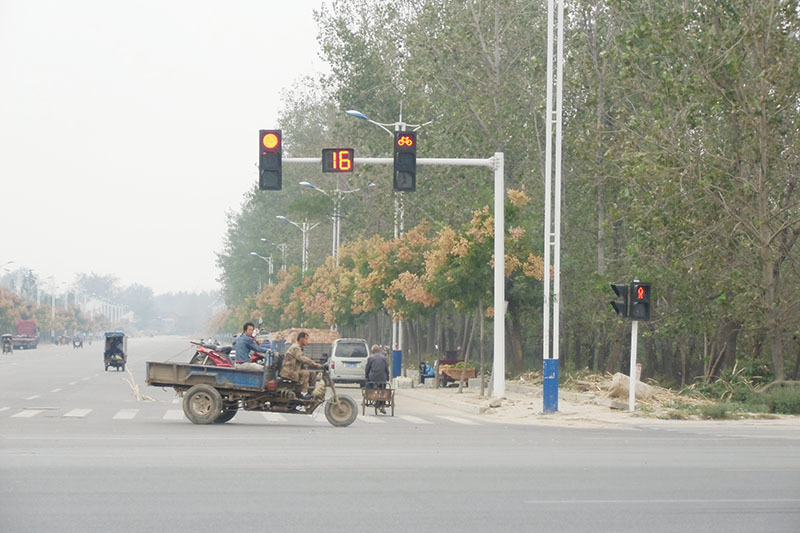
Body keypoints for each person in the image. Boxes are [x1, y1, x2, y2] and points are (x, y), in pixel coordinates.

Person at [281, 331, 321, 399]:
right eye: (306, 339)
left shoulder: (299, 347)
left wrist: (315, 363)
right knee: (305, 373)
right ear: (301, 339)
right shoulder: (295, 347)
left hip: (295, 370)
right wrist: (313, 363)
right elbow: (301, 358)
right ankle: (299, 392)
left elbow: (305, 357)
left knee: (313, 373)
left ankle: (310, 393)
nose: (307, 341)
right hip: (289, 371)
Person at [365, 344, 390, 413]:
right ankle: (381, 404)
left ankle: (374, 398)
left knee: (370, 386)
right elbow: (386, 369)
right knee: (383, 389)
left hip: (372, 378)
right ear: (379, 350)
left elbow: (367, 369)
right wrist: (388, 377)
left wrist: (366, 376)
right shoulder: (384, 358)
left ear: (372, 351)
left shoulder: (371, 358)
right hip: (382, 379)